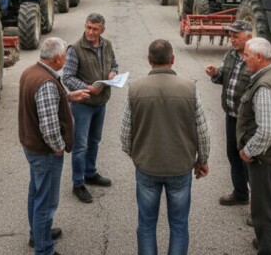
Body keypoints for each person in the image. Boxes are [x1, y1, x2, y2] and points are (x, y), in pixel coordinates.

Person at [121, 39, 210, 255]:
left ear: (149, 59)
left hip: (147, 166)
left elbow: (125, 135)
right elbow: (202, 131)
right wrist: (202, 160)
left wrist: (138, 156)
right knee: (179, 225)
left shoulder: (135, 89)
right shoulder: (190, 88)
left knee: (146, 224)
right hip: (180, 167)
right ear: (173, 59)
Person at [19, 37, 91, 255]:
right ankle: (44, 249)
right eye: (65, 56)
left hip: (32, 146)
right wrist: (58, 148)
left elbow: (45, 103)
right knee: (46, 202)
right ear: (58, 57)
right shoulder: (47, 83)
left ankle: (37, 235)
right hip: (45, 152)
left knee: (36, 192)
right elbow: (49, 127)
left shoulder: (31, 72)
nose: (66, 59)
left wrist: (68, 96)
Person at [236, 38, 271, 255]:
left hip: (266, 159)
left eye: (247, 55)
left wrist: (248, 151)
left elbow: (268, 131)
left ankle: (269, 249)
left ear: (259, 57)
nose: (244, 59)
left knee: (263, 210)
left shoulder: (265, 86)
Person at [63, 13, 119, 204]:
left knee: (94, 141)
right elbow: (67, 77)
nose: (90, 32)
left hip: (100, 103)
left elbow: (114, 64)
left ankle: (90, 173)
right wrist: (87, 88)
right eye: (88, 27)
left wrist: (113, 73)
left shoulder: (107, 45)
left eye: (95, 29)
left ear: (102, 30)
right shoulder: (75, 49)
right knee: (80, 146)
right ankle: (78, 183)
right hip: (83, 105)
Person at [203, 19, 253, 206]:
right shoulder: (231, 54)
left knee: (250, 158)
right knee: (233, 155)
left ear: (249, 36)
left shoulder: (256, 57)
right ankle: (240, 193)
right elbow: (222, 77)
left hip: (249, 120)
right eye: (230, 36)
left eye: (236, 36)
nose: (232, 39)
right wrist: (215, 73)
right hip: (231, 115)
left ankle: (258, 204)